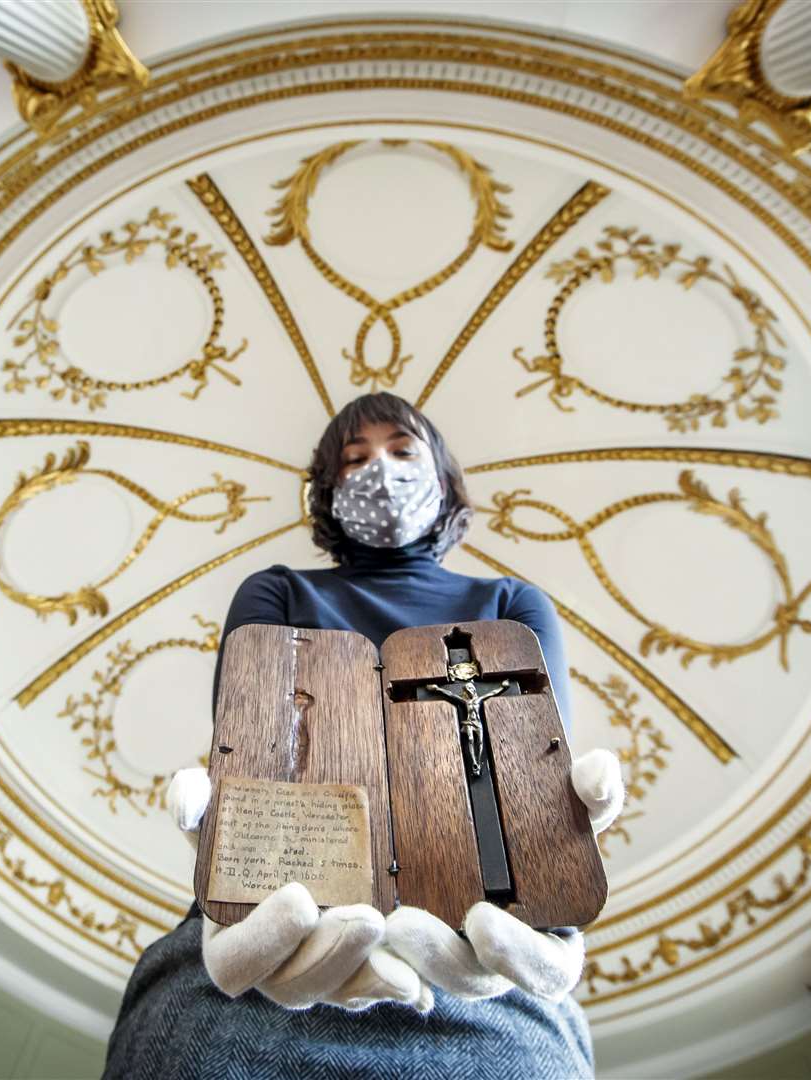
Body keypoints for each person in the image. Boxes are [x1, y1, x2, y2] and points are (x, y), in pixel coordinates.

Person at [102, 392, 626, 1079]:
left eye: (403, 451)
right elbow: (250, 751)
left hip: (474, 952)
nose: (380, 467)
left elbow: (528, 765)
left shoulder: (510, 605)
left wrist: (552, 862)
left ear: (439, 476)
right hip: (274, 943)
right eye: (354, 458)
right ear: (328, 491)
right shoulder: (276, 592)